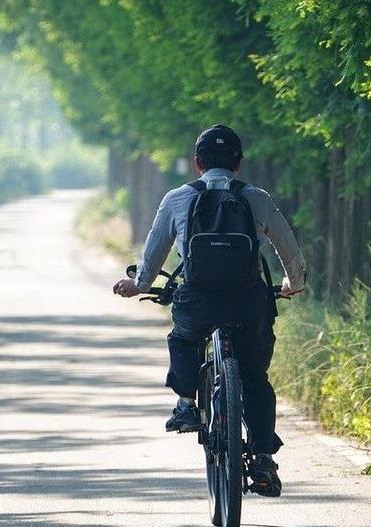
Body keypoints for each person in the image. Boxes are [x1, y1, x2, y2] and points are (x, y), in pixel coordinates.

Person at [112, 125, 307, 496]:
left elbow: (154, 253)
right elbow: (287, 246)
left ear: (198, 164)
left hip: (198, 300)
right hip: (249, 301)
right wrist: (292, 283)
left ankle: (186, 403)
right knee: (255, 378)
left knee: (183, 338)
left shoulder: (177, 198)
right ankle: (263, 456)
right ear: (239, 162)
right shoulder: (257, 198)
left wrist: (138, 284)